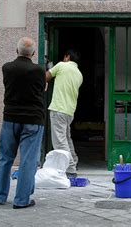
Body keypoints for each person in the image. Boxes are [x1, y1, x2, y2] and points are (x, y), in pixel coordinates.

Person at [0, 37, 46, 209]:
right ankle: (22, 199)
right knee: (28, 161)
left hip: (10, 118)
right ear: (33, 54)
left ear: (17, 51)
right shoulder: (38, 70)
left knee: (5, 158)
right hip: (32, 120)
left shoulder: (6, 68)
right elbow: (42, 88)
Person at [46, 49, 83, 177]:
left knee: (59, 141)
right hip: (69, 111)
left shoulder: (61, 65)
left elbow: (46, 77)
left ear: (67, 57)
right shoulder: (79, 74)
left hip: (58, 109)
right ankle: (74, 160)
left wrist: (48, 68)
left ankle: (71, 169)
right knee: (67, 138)